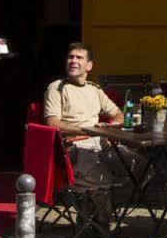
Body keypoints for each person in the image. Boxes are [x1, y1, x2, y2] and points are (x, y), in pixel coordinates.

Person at [43, 41, 124, 190]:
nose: (73, 61)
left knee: (140, 168)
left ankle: (108, 204)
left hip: (102, 143)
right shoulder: (57, 88)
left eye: (79, 58)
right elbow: (52, 123)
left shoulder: (95, 89)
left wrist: (111, 127)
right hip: (75, 146)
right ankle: (98, 211)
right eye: (70, 57)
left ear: (89, 65)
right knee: (102, 179)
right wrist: (88, 130)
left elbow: (118, 114)